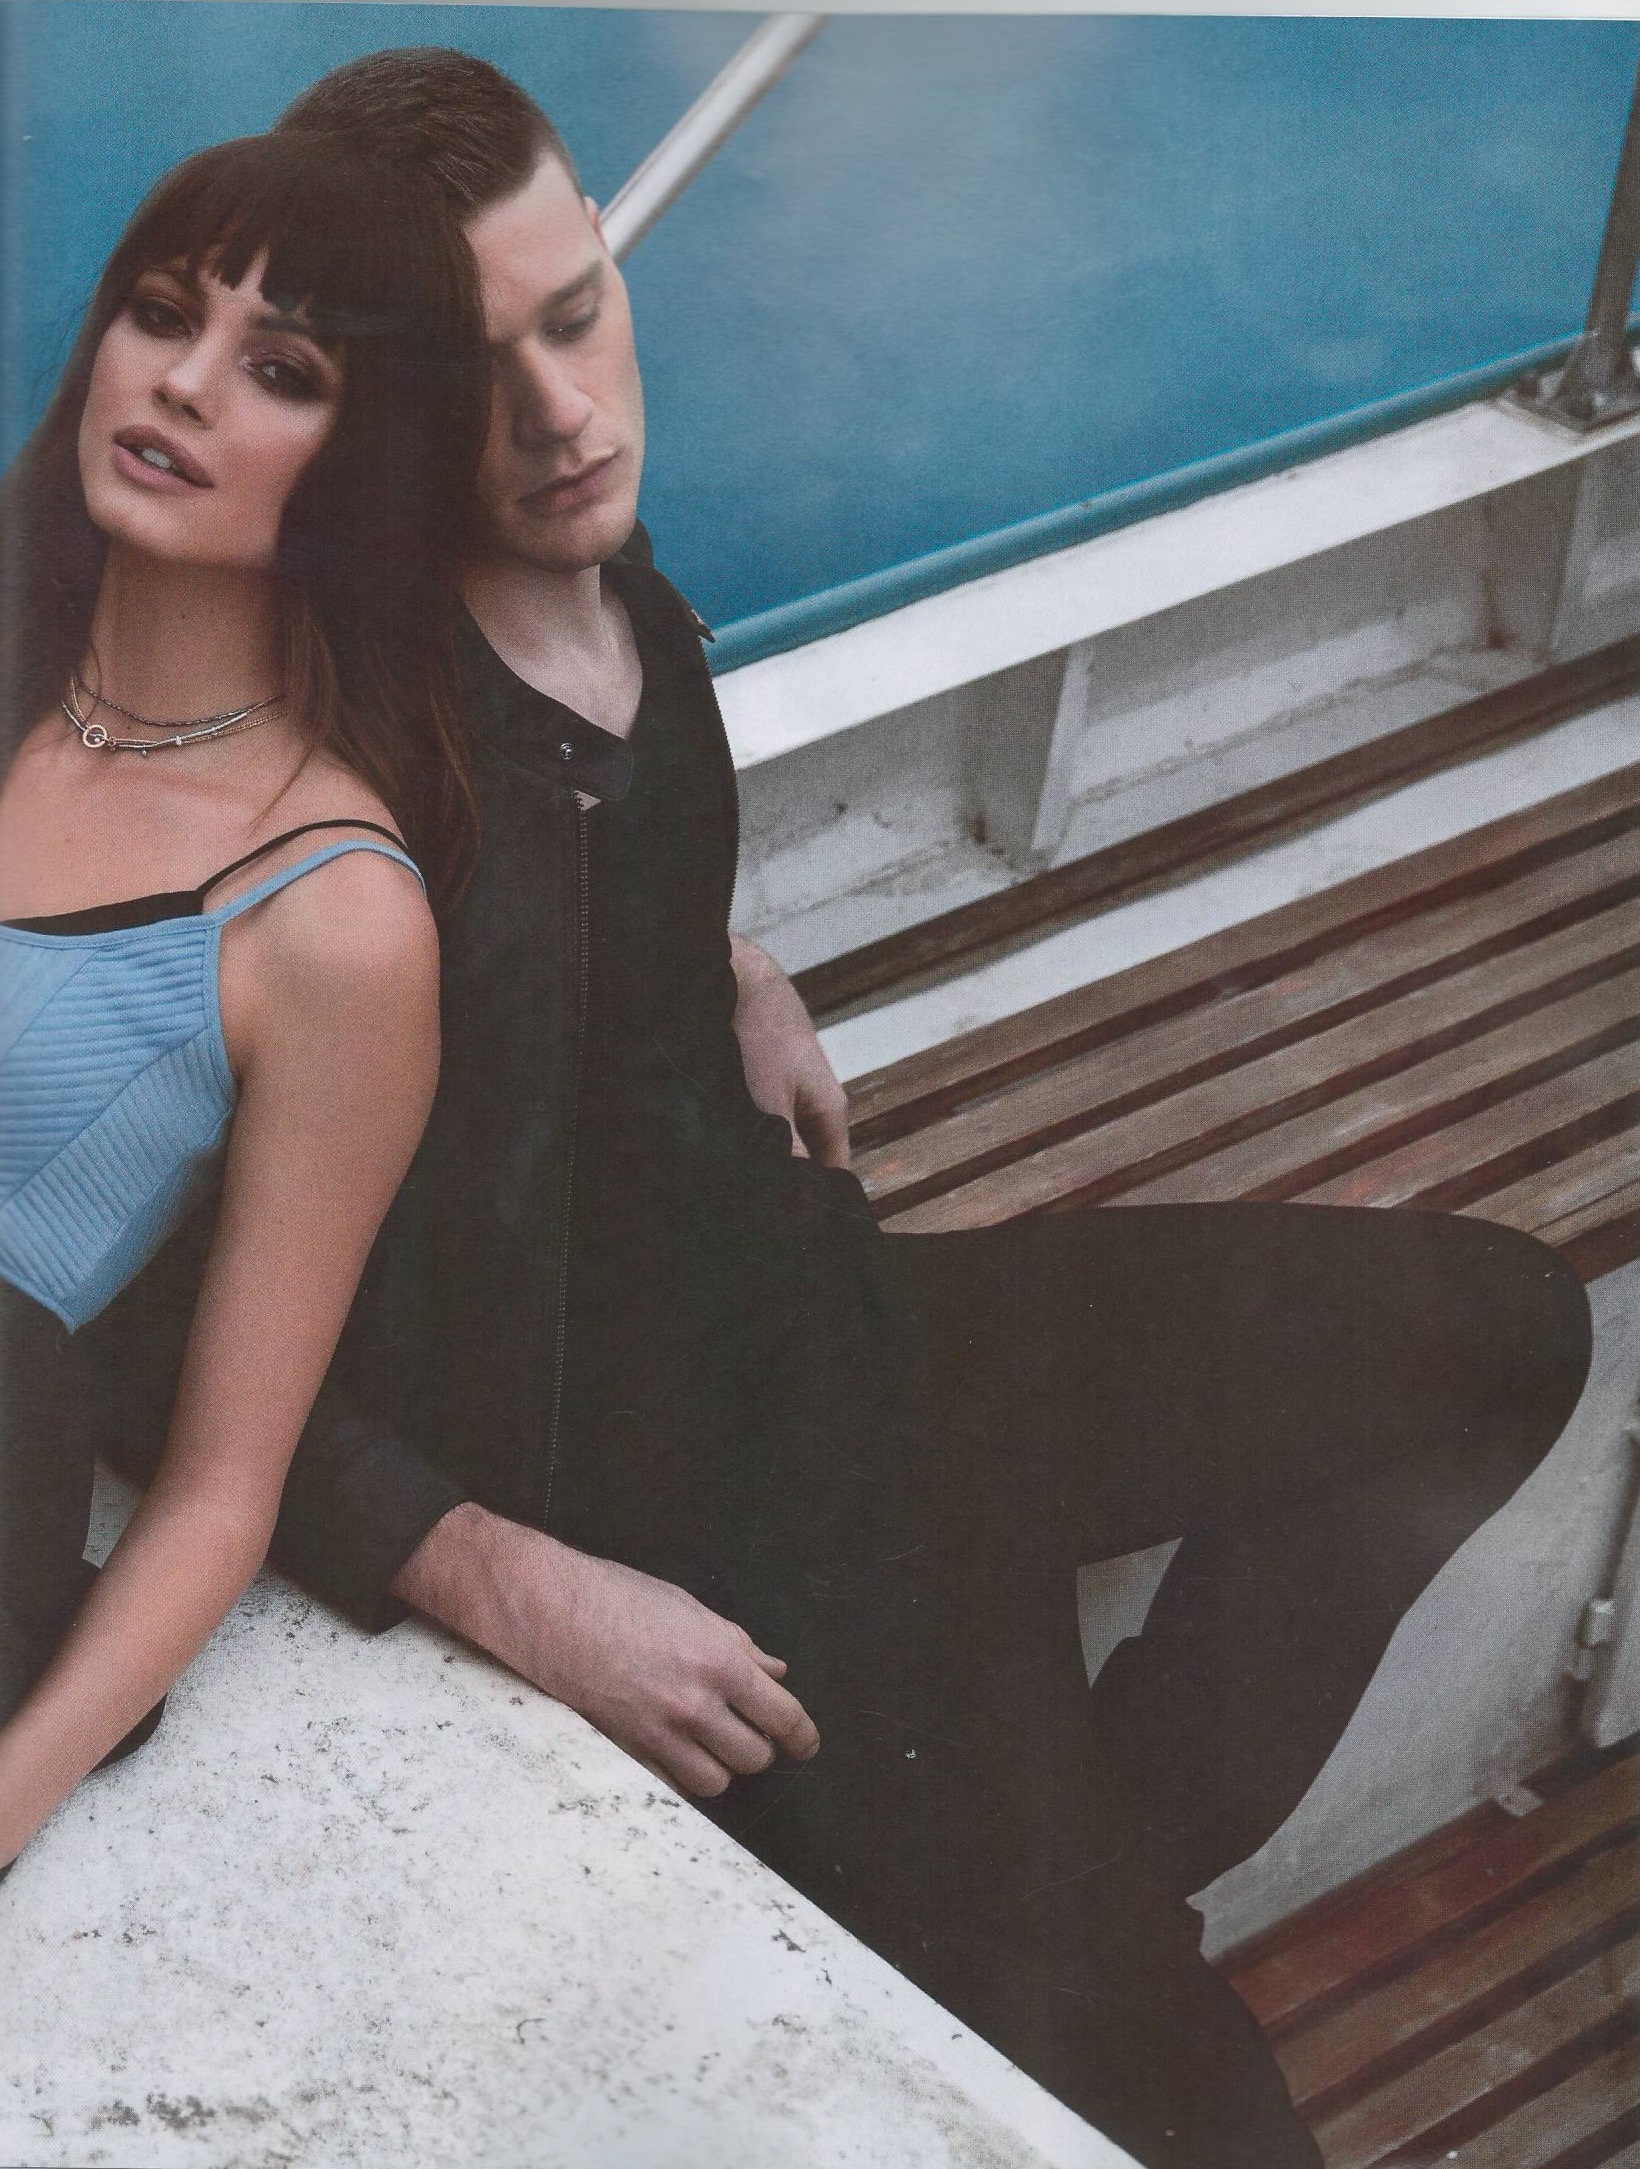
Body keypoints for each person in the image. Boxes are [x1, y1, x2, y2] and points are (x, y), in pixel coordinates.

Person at [66, 53, 1594, 2169]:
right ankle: (1054, 1923)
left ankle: (1097, 1865)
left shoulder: (608, 581)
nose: (568, 415)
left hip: (847, 1336)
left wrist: (723, 958)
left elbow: (587, 864)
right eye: (479, 372)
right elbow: (115, 1292)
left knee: (1499, 1333)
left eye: (579, 311)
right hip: (665, 1522)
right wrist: (498, 1572)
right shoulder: (297, 762)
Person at [0, 133, 491, 1882]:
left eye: (281, 370)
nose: (184, 384)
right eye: (160, 314)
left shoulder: (333, 917)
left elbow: (221, 1488)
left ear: (369, 462)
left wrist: (11, 1793)